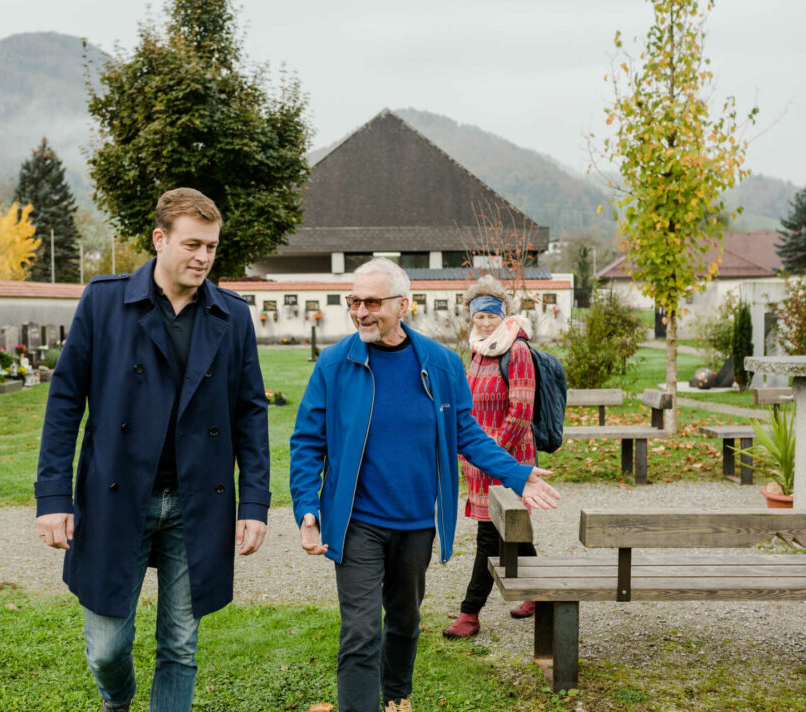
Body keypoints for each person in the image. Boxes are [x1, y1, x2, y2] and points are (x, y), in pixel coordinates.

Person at [35, 187, 270, 712]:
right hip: (117, 495)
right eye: (192, 244)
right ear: (159, 240)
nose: (203, 257)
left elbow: (250, 413)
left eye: (211, 247)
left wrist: (254, 503)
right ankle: (117, 703)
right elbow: (65, 401)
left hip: (197, 501)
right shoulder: (104, 300)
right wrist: (52, 495)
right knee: (106, 650)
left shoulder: (232, 315)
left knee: (181, 647)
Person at [289, 258, 560, 712]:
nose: (360, 312)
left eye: (372, 302)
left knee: (404, 620)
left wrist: (517, 472)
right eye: (353, 302)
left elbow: (466, 432)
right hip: (357, 521)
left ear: (403, 305)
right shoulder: (336, 364)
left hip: (416, 522)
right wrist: (307, 508)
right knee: (360, 629)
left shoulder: (438, 362)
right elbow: (306, 442)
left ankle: (396, 697)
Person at [443, 276, 540, 641]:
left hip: (506, 458)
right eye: (479, 316)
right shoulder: (480, 349)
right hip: (479, 459)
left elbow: (520, 412)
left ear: (504, 315)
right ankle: (538, 592)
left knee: (489, 534)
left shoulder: (516, 351)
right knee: (508, 530)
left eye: (491, 315)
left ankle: (470, 614)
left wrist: (492, 457)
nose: (485, 322)